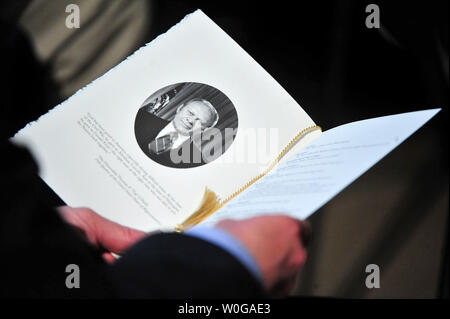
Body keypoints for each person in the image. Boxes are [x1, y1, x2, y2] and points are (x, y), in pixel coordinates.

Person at [135, 98, 220, 168]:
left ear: (204, 130)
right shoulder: (140, 117)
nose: (190, 120)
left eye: (200, 122)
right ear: (180, 109)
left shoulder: (197, 164)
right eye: (190, 113)